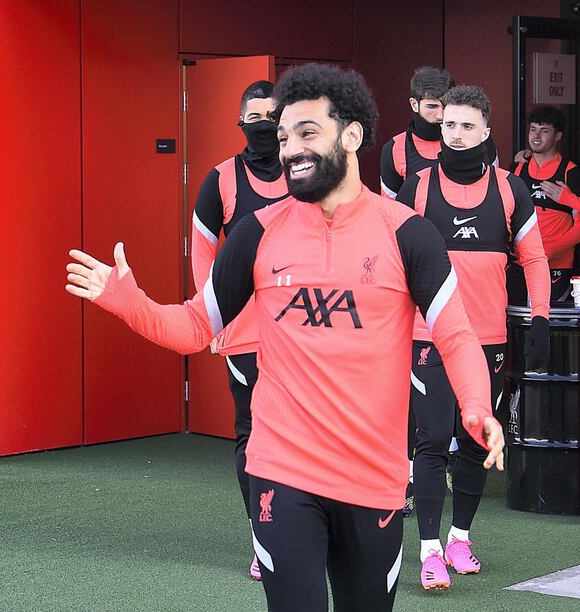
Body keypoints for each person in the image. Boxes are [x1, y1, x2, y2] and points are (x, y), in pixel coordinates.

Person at [66, 63, 504, 612]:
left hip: (372, 481)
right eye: (282, 136)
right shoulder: (257, 232)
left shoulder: (408, 234)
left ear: (351, 136)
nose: (290, 148)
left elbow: (456, 334)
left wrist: (475, 407)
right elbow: (195, 327)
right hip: (282, 471)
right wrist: (129, 303)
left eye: (306, 133)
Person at [396, 85, 550, 591]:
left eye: (466, 126)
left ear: (486, 131)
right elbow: (389, 259)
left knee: (476, 441)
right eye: (448, 126)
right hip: (429, 338)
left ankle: (460, 538)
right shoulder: (417, 188)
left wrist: (542, 320)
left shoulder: (511, 189)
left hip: (488, 342)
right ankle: (430, 551)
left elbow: (534, 259)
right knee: (433, 439)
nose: (456, 135)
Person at [191, 80, 288, 580]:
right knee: (254, 435)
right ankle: (262, 540)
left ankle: (307, 532)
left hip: (302, 332)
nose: (265, 124)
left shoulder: (307, 171)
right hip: (246, 334)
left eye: (274, 115)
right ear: (240, 121)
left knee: (305, 433)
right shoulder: (221, 179)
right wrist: (212, 317)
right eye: (255, 116)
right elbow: (202, 252)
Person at [508, 106, 580, 303]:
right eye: (533, 129)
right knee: (515, 324)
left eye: (544, 131)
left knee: (550, 325)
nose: (536, 136)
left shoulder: (571, 172)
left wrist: (550, 249)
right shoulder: (517, 168)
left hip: (557, 266)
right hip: (520, 264)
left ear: (558, 136)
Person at [380, 66, 499, 200]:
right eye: (432, 106)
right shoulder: (395, 148)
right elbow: (390, 209)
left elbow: (495, 190)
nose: (441, 115)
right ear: (414, 104)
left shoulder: (477, 137)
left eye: (445, 106)